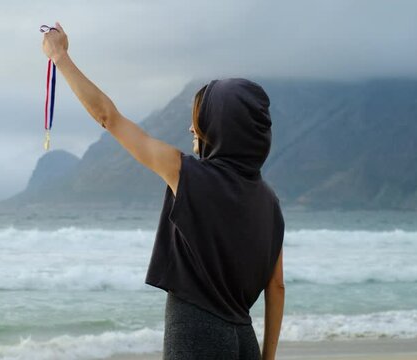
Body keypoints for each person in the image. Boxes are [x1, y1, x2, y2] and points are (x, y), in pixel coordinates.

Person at [42, 22, 285, 360]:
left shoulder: (189, 174)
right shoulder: (270, 202)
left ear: (220, 126)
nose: (190, 128)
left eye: (199, 120)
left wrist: (60, 56)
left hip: (196, 331)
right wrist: (266, 356)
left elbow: (108, 117)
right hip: (244, 339)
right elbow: (276, 288)